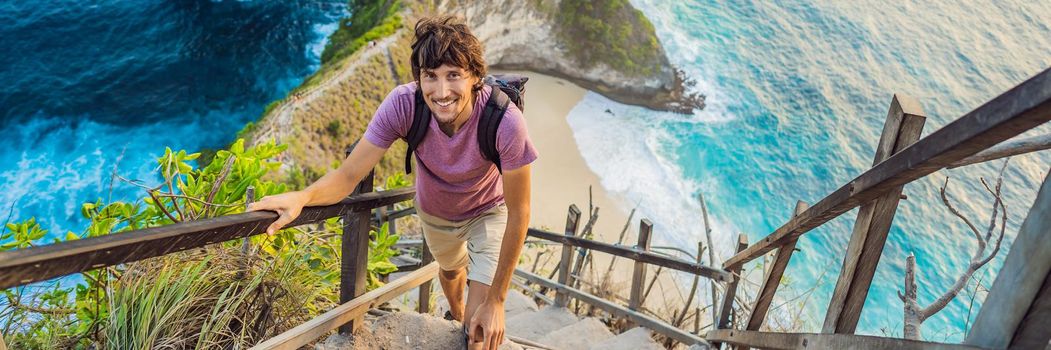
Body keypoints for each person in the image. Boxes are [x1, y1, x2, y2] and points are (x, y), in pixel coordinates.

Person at [248, 15, 536, 350]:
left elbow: (520, 212)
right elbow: (347, 176)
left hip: (487, 210)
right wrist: (302, 196)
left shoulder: (504, 121)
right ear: (419, 78)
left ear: (475, 77)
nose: (442, 92)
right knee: (451, 272)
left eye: (453, 75)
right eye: (431, 77)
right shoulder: (404, 104)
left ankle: (468, 325)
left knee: (480, 331)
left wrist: (497, 301)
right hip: (436, 215)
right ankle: (457, 315)